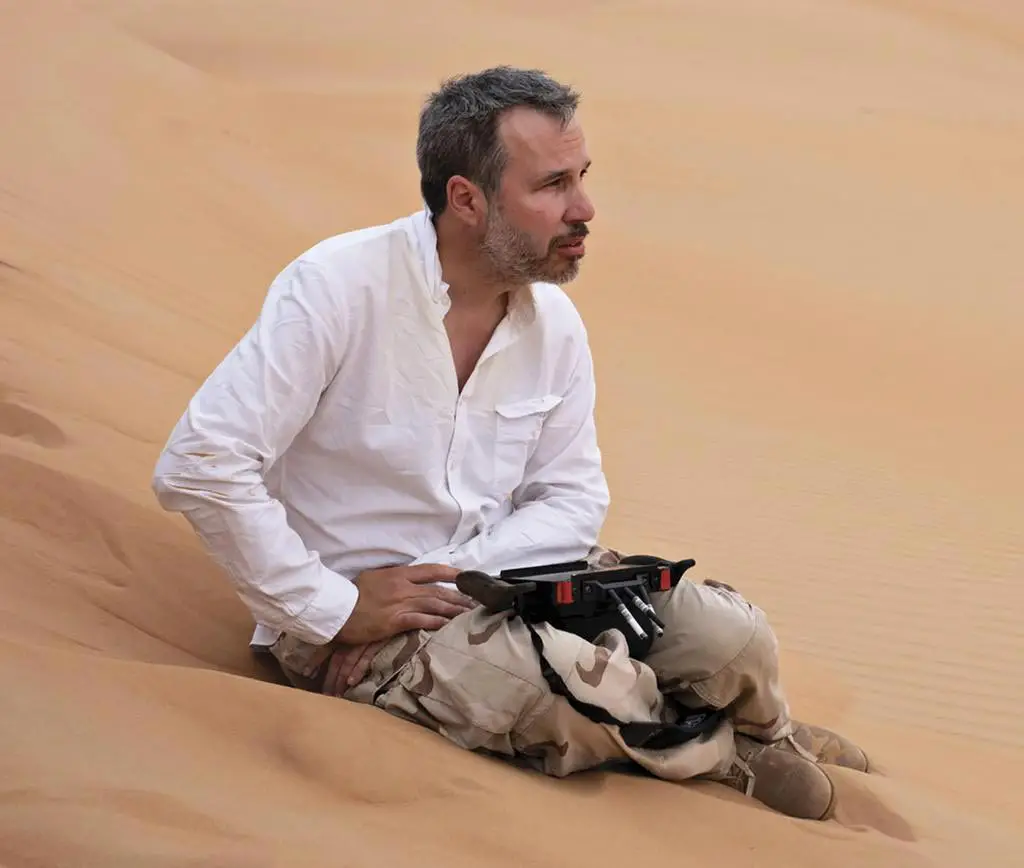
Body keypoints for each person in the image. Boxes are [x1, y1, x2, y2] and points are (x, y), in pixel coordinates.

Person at [151, 65, 869, 821]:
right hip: (360, 615)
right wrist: (329, 609)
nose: (585, 207)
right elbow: (201, 464)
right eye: (553, 185)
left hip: (506, 576)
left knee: (730, 634)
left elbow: (572, 496)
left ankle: (755, 725)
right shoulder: (338, 288)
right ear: (467, 198)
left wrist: (464, 577)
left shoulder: (552, 323)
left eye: (582, 176)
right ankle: (724, 753)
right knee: (550, 694)